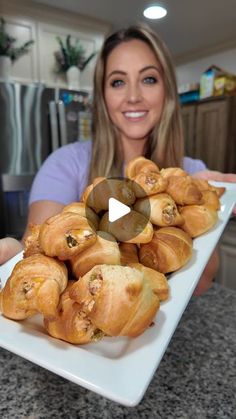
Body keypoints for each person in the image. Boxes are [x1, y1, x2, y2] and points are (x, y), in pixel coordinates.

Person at [0, 23, 236, 295]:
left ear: (167, 93)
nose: (133, 96)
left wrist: (202, 211)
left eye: (149, 79)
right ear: (102, 96)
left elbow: (200, 284)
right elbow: (40, 248)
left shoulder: (192, 175)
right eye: (118, 82)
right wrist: (15, 254)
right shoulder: (65, 164)